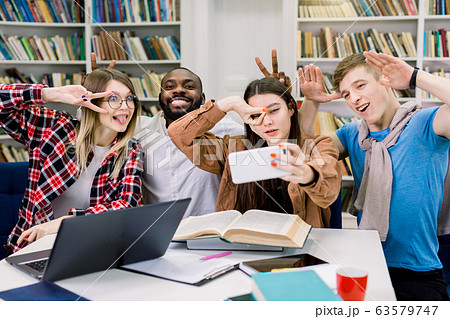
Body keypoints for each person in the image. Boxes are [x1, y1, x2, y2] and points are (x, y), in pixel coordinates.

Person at [298, 51, 450, 300]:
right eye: (346, 94)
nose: (354, 98)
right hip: (365, 266)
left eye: (360, 85)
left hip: (418, 275)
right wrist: (311, 103)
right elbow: (307, 155)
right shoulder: (351, 134)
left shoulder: (426, 124)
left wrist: (412, 76)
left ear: (385, 80)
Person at [0, 69, 144, 253]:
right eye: (114, 99)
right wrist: (51, 93)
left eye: (129, 98)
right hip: (35, 248)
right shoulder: (56, 128)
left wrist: (64, 223)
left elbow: (128, 206)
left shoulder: (132, 149)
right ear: (92, 102)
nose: (125, 107)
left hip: (90, 249)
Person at [167, 77, 341, 227]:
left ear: (290, 108)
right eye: (256, 115)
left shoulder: (318, 144)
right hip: (244, 251)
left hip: (300, 252)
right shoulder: (233, 150)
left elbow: (329, 191)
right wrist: (230, 104)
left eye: (274, 111)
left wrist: (306, 174)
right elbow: (178, 134)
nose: (267, 122)